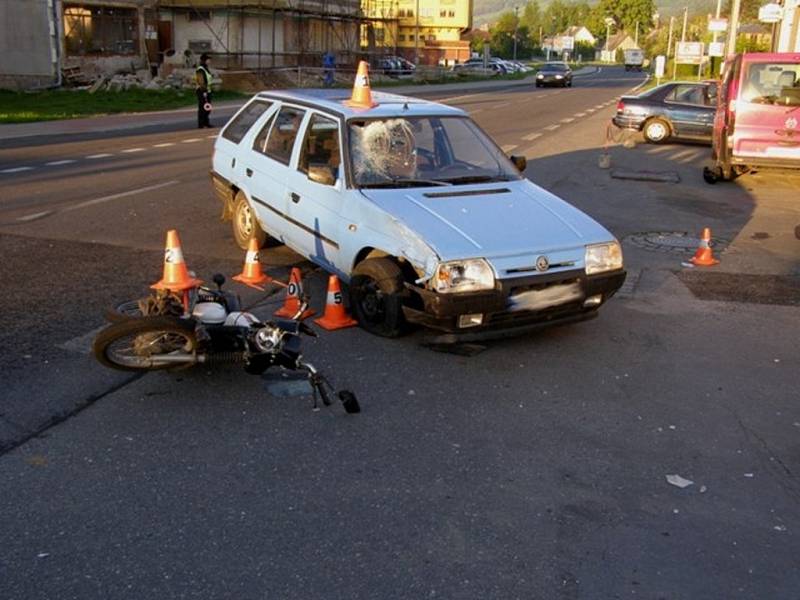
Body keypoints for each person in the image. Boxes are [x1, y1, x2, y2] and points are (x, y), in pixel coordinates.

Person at [195, 53, 213, 128]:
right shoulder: (200, 69)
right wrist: (204, 91)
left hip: (208, 91)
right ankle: (201, 124)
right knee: (203, 108)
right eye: (208, 60)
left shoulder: (206, 68)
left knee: (207, 108)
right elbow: (201, 81)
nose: (209, 61)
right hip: (202, 91)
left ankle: (206, 122)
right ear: (204, 60)